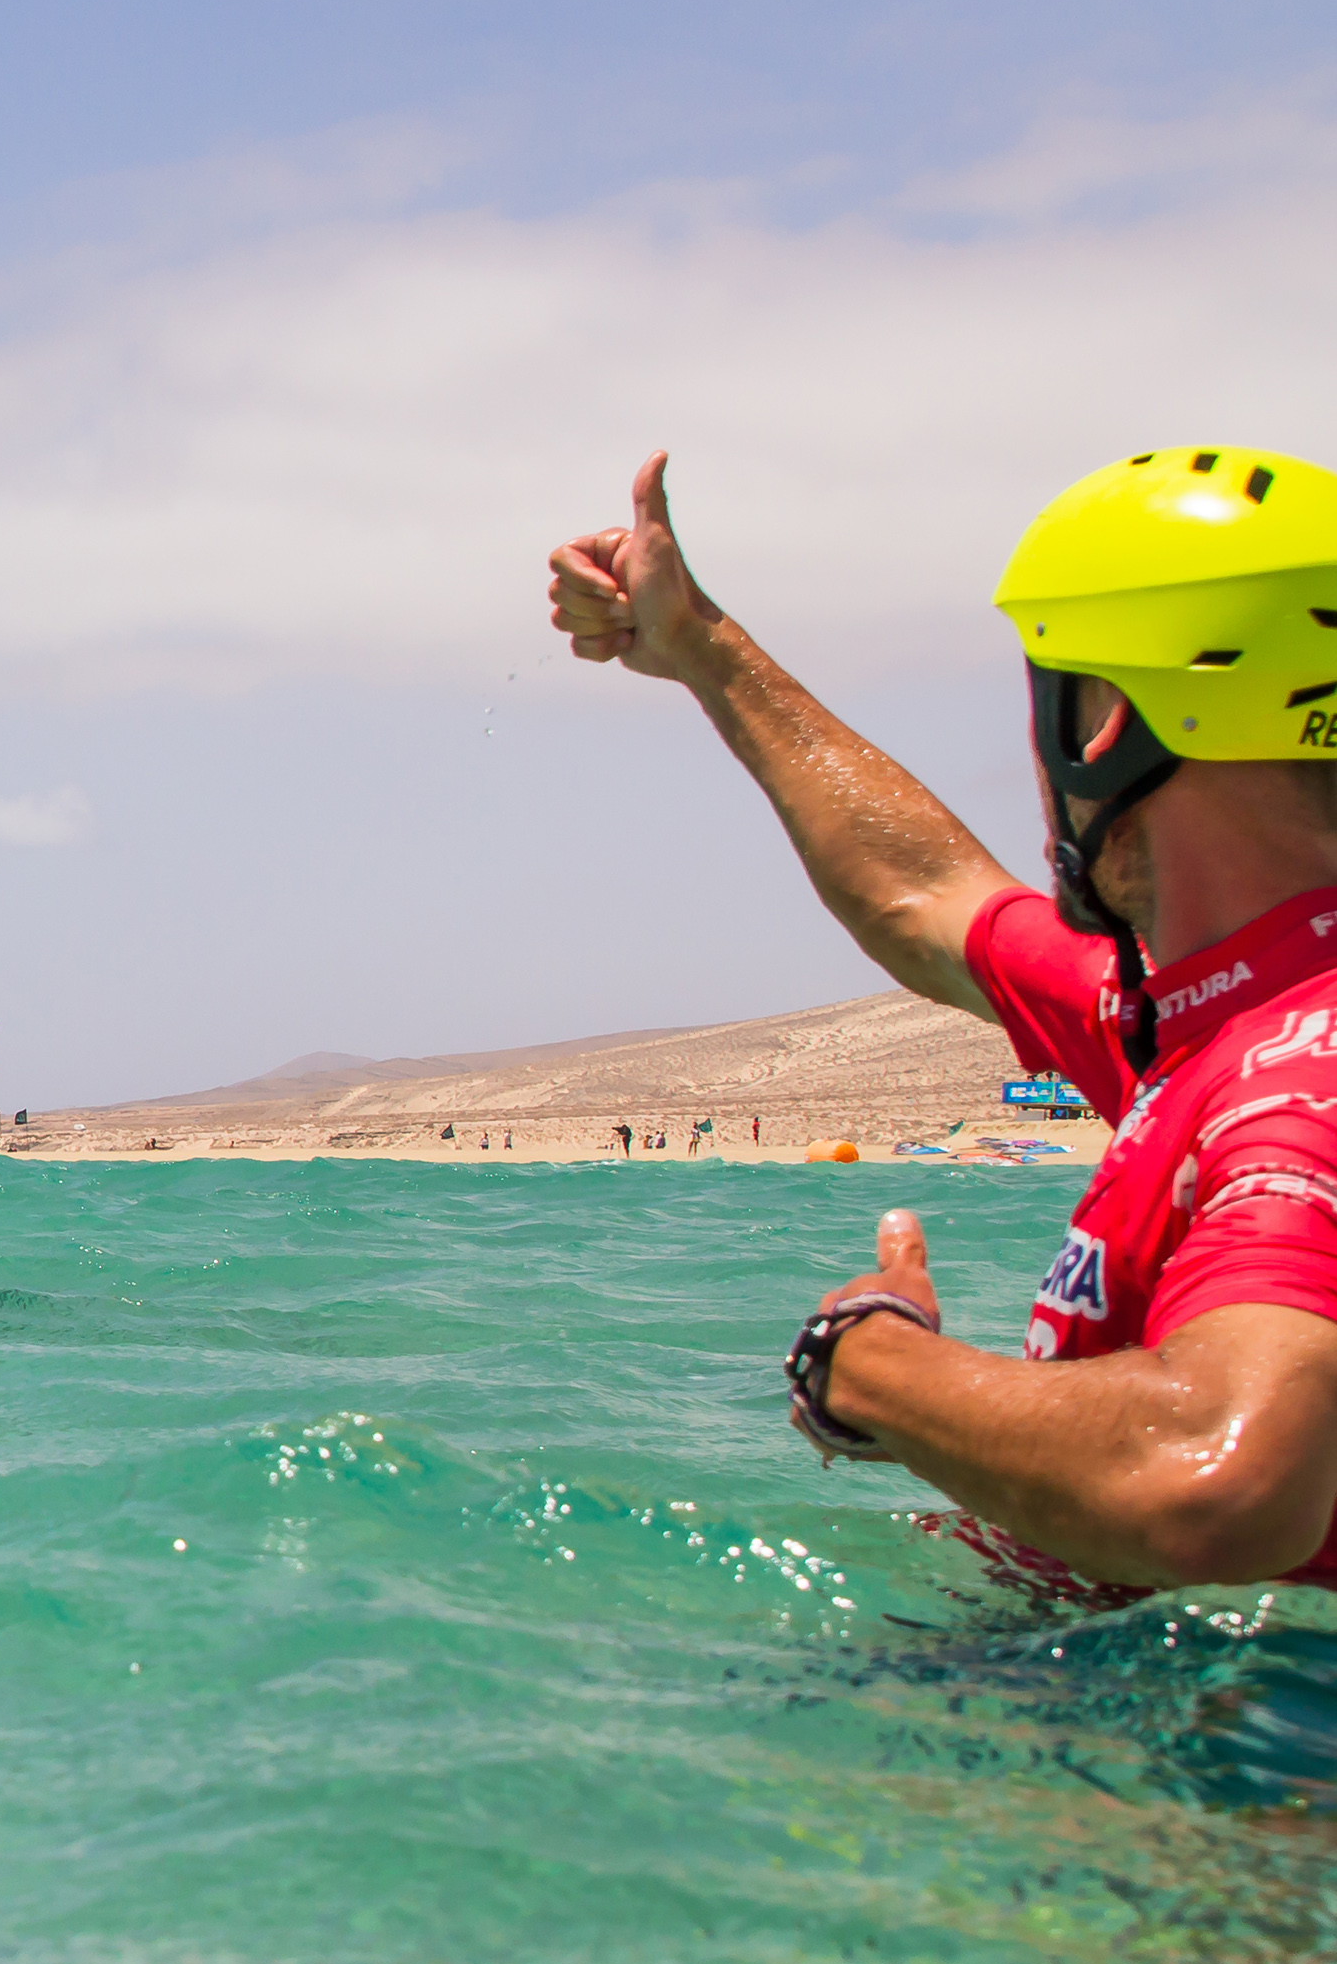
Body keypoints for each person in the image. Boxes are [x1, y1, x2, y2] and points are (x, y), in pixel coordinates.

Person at [551, 446, 1337, 1591]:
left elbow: (1220, 1479)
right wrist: (698, 647)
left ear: (1105, 723)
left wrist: (866, 1363)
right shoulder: (1203, 1015)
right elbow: (921, 898)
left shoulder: (1296, 1074)